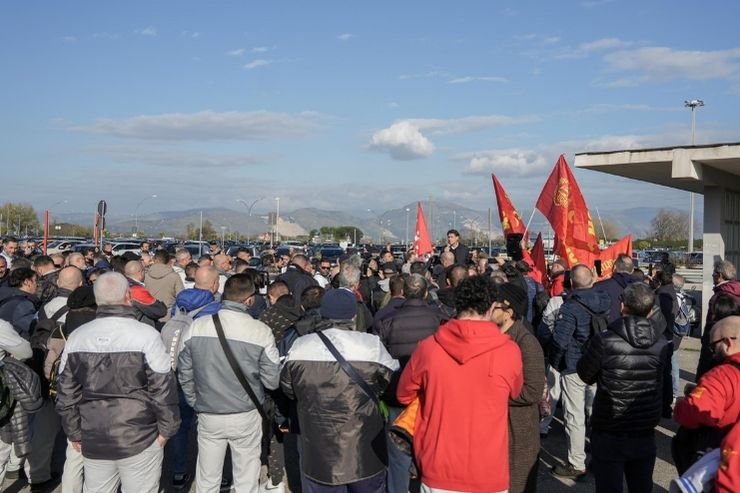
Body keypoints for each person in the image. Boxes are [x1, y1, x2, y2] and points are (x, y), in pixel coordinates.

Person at [55, 272, 180, 493]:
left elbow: (66, 394)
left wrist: (74, 431)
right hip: (140, 435)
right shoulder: (146, 335)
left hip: (94, 434)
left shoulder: (78, 337)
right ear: (128, 296)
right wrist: (166, 431)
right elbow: (163, 389)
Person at [397, 275, 523, 493]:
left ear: (458, 304)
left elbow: (403, 394)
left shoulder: (428, 348)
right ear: (492, 307)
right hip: (489, 470)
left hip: (438, 467)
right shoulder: (509, 351)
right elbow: (515, 391)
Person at [281, 288, 398, 493]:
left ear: (323, 313)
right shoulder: (371, 346)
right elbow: (391, 384)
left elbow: (288, 388)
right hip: (364, 449)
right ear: (353, 315)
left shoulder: (300, 346)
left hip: (318, 450)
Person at [178, 274, 281, 493]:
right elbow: (272, 381)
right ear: (249, 300)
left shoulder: (198, 327)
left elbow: (184, 370)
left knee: (207, 479)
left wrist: (194, 400)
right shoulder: (260, 332)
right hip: (246, 413)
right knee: (246, 479)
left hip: (208, 412)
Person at [577, 282, 669, 493]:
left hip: (611, 426)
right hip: (643, 425)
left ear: (622, 306)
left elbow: (585, 374)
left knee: (610, 487)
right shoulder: (662, 343)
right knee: (641, 485)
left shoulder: (605, 340)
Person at [377, 274, 442, 493]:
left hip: (398, 394)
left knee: (398, 455)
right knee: (431, 450)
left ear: (403, 292)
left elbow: (379, 359)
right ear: (425, 293)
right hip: (430, 395)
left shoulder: (388, 321)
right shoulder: (438, 320)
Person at [549, 264, 610, 479]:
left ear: (571, 282)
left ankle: (576, 462)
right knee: (595, 410)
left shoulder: (570, 307)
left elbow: (560, 341)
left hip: (575, 366)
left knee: (574, 416)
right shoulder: (606, 301)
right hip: (600, 363)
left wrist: (556, 365)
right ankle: (599, 450)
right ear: (592, 280)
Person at [674, 315, 740, 493]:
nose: (712, 351)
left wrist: (682, 404)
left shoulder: (722, 375)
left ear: (727, 343)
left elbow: (694, 413)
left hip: (720, 458)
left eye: (713, 346)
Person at [491, 283, 545, 493]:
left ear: (509, 312)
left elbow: (532, 391)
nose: (488, 310)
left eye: (494, 307)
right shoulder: (493, 337)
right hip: (497, 426)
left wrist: (493, 395)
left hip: (518, 428)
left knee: (517, 484)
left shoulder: (526, 342)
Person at [696, 259, 740, 378]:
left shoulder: (719, 296)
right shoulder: (737, 290)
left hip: (718, 342)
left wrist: (706, 342)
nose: (712, 276)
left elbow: (711, 323)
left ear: (720, 275)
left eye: (714, 273)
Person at [593, 253, 638, 324]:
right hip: (635, 331)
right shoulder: (642, 288)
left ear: (614, 268)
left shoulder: (599, 287)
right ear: (632, 270)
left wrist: (592, 284)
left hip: (607, 331)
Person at [0, 267, 40, 340]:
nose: (37, 285)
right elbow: (32, 329)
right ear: (26, 282)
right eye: (35, 281)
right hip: (15, 346)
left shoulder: (6, 296)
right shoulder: (23, 304)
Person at [144, 250, 184, 322]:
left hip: (149, 315)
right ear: (168, 260)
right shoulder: (174, 276)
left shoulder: (145, 276)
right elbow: (181, 296)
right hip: (168, 316)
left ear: (154, 259)